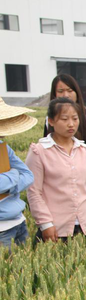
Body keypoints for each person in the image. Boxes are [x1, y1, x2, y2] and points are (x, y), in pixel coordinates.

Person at [26, 98, 86, 242]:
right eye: (64, 119)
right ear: (51, 121)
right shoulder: (39, 151)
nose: (71, 124)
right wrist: (45, 223)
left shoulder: (85, 150)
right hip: (56, 228)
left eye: (75, 119)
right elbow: (34, 192)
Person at [44, 74, 86, 193]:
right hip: (58, 180)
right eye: (60, 91)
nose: (66, 95)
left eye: (70, 90)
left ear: (77, 92)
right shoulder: (49, 119)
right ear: (54, 94)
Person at [0, 97, 35, 250]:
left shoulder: (3, 148)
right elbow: (18, 174)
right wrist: (13, 175)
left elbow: (28, 175)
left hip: (18, 221)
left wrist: (8, 187)